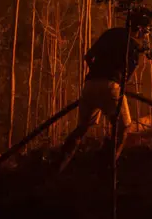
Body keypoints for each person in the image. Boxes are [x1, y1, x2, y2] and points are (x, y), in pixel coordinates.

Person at [56, 18, 146, 172]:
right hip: (111, 86)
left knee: (82, 128)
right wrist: (114, 80)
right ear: (140, 29)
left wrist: (97, 71)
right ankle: (108, 169)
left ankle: (58, 166)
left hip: (90, 84)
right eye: (146, 31)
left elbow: (88, 56)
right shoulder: (134, 46)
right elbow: (126, 76)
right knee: (124, 127)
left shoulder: (110, 34)